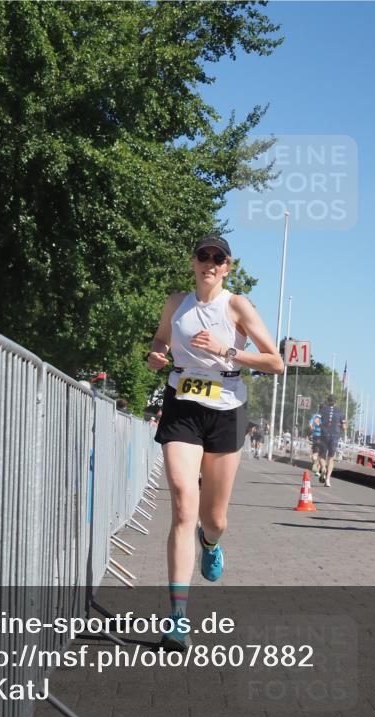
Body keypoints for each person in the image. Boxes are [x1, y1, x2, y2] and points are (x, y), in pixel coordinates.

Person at [146, 235, 282, 649]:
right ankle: (178, 618)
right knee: (184, 504)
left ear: (227, 266)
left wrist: (229, 351)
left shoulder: (237, 306)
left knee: (214, 518)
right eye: (202, 256)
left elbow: (275, 361)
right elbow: (160, 339)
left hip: (226, 408)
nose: (208, 263)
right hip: (182, 404)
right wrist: (156, 353)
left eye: (217, 258)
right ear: (192, 262)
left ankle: (212, 544)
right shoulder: (177, 302)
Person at [316, 394, 346, 487]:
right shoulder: (340, 412)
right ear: (335, 402)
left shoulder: (322, 410)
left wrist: (321, 426)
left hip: (324, 434)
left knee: (321, 456)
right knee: (331, 458)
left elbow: (316, 421)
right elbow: (344, 427)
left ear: (327, 401)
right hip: (334, 436)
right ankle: (328, 479)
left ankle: (323, 468)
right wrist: (340, 427)